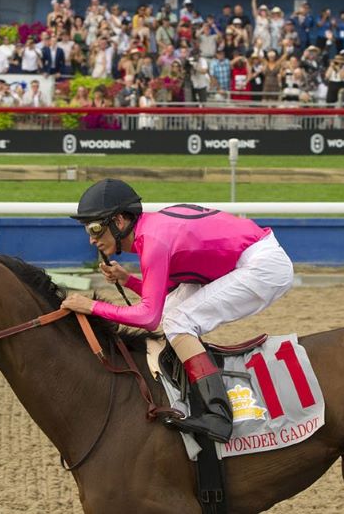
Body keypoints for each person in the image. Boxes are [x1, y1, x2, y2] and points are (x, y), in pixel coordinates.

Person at [60, 179, 294, 443]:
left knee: (179, 321)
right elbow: (164, 298)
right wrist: (128, 280)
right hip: (251, 258)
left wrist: (91, 306)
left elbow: (148, 318)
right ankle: (193, 390)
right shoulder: (151, 230)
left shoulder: (153, 240)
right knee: (173, 312)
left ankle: (217, 413)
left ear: (120, 221)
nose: (91, 239)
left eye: (95, 228)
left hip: (263, 266)